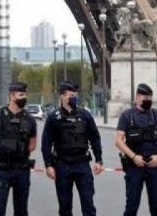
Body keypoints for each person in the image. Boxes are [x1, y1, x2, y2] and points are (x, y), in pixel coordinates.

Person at [41, 81, 104, 216]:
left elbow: (95, 138)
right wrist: (48, 165)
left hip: (82, 164)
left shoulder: (85, 115)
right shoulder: (53, 118)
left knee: (88, 204)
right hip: (62, 165)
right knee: (65, 206)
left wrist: (99, 160)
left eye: (75, 95)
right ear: (62, 97)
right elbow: (46, 143)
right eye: (71, 95)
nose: (74, 97)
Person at [0, 82, 38, 216]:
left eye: (25, 95)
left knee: (21, 210)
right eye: (21, 95)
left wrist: (19, 153)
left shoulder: (30, 119)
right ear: (12, 96)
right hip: (2, 170)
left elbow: (33, 145)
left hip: (22, 170)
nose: (24, 98)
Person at [115, 83, 157, 216]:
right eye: (145, 97)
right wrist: (134, 157)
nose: (148, 100)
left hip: (154, 165)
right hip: (134, 166)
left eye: (150, 97)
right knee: (131, 206)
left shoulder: (156, 115)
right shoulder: (127, 116)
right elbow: (118, 141)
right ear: (137, 97)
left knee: (156, 207)